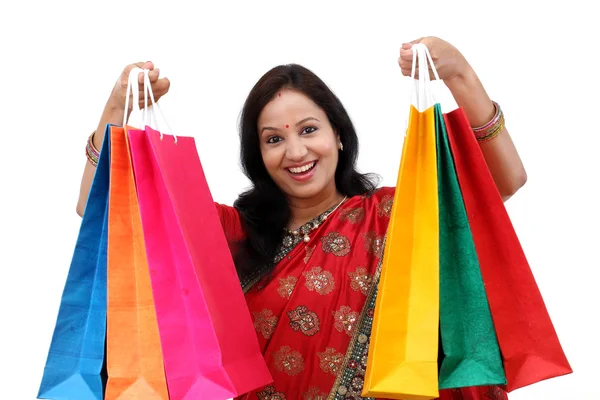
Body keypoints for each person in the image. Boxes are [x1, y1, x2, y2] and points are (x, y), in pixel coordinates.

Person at [77, 36, 526, 399]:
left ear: (339, 135)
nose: (295, 152)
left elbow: (505, 182)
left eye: (309, 130)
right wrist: (118, 109)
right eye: (274, 139)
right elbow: (99, 212)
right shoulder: (230, 234)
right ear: (259, 155)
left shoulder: (393, 215)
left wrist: (461, 76)